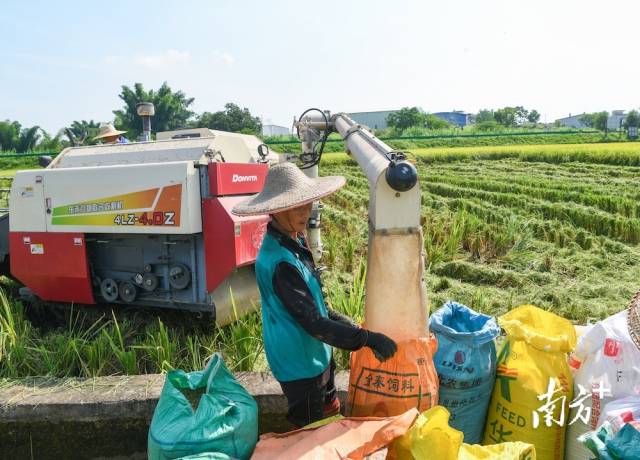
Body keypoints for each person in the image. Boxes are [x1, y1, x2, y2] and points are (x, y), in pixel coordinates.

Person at [233, 162, 397, 428]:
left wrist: (342, 320)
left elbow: (314, 303)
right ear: (277, 209)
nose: (305, 212)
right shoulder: (279, 262)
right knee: (309, 430)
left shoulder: (292, 240)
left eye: (307, 204)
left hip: (316, 354)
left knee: (329, 413)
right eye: (297, 206)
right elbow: (314, 324)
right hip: (299, 363)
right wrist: (368, 339)